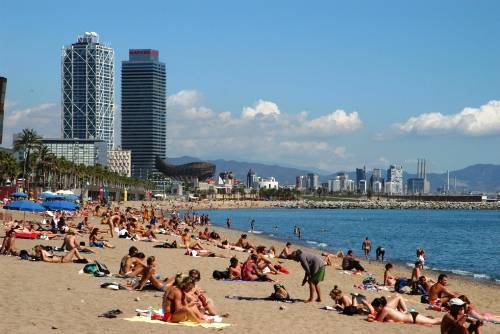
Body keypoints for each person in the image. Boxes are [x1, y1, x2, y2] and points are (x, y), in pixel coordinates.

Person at [369, 296, 440, 325]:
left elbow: (378, 321)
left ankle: (448, 319)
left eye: (375, 308)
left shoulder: (385, 309)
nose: (375, 310)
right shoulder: (384, 309)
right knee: (433, 320)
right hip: (411, 316)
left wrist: (370, 319)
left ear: (380, 306)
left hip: (413, 318)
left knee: (434, 321)